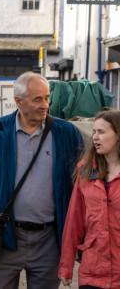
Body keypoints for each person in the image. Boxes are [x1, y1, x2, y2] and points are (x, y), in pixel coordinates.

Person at [0, 72, 84, 289]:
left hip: (50, 240)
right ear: (18, 101)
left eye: (47, 98)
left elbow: (84, 181)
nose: (45, 104)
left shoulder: (66, 133)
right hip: (5, 237)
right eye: (37, 99)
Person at [59, 110, 120, 288]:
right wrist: (66, 266)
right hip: (93, 272)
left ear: (117, 134)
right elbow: (74, 221)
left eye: (101, 132)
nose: (95, 137)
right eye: (94, 131)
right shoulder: (86, 170)